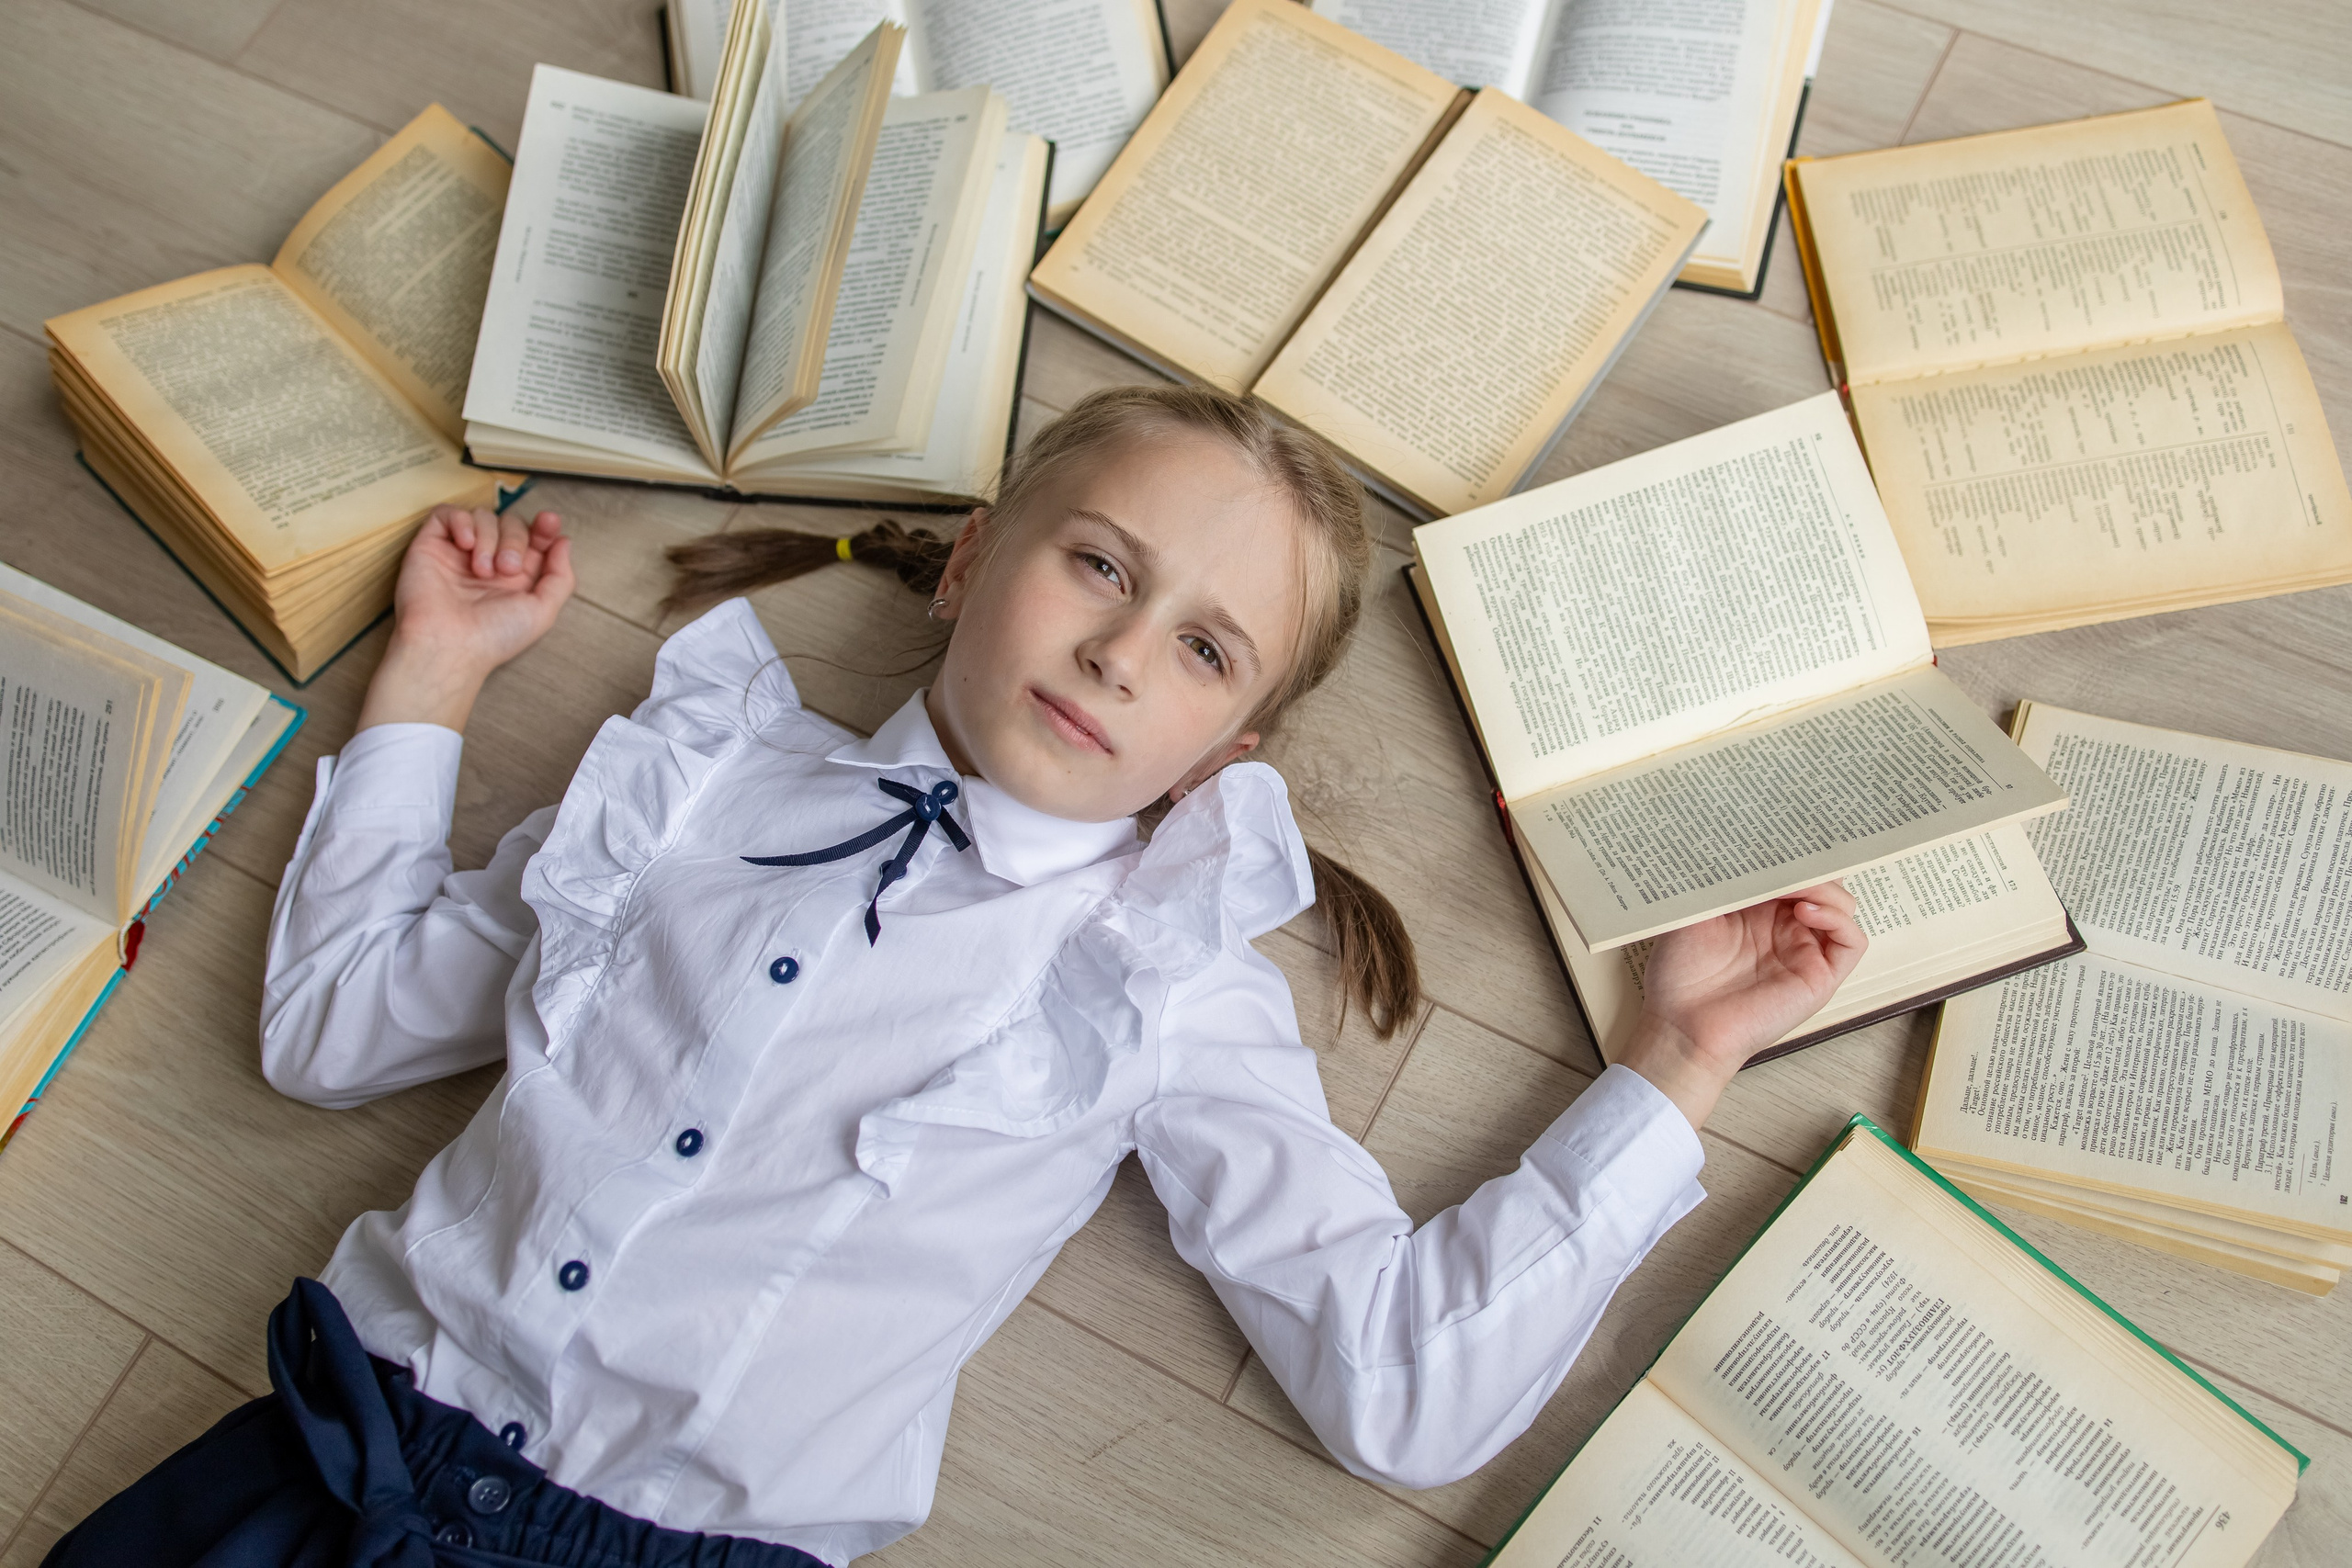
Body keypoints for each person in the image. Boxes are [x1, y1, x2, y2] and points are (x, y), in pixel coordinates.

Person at [47, 386, 1864, 1567]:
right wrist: (431, 675)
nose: (1117, 652)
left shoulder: (1157, 978)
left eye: (1202, 643)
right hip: (317, 1458)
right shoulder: (693, 783)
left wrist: (1674, 1059)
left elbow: (1398, 1383)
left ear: (1228, 739)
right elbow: (336, 1017)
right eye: (1097, 564)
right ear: (973, 560)